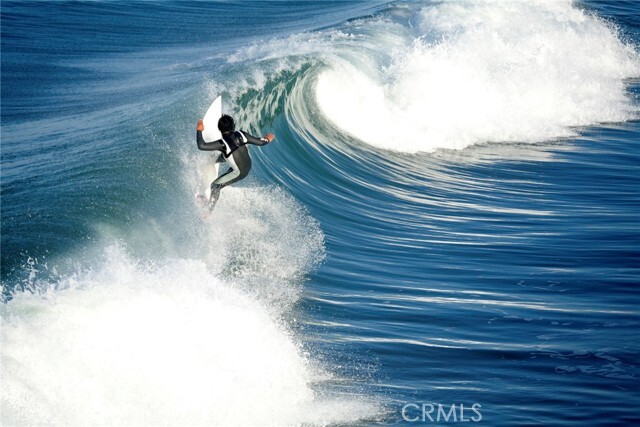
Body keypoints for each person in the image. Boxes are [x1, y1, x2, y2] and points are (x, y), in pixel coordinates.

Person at [196, 114, 275, 209]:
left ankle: (208, 211)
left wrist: (199, 130)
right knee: (225, 154)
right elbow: (262, 142)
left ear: (219, 129)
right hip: (248, 164)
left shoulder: (222, 144)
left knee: (215, 186)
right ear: (233, 126)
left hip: (239, 173)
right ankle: (216, 160)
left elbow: (201, 145)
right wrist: (267, 139)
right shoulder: (241, 134)